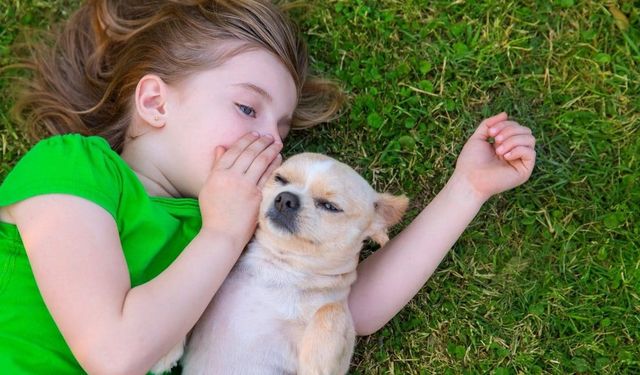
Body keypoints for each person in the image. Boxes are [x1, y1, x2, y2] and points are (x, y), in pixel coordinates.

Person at [0, 0, 536, 374]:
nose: (269, 142)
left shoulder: (229, 219)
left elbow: (353, 303)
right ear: (156, 103)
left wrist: (468, 188)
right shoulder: (73, 168)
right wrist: (221, 234)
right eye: (247, 107)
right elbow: (114, 355)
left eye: (281, 131)